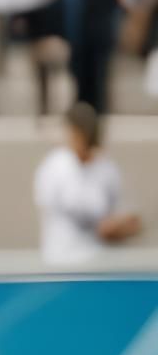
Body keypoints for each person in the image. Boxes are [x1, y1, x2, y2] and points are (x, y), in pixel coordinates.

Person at [33, 102, 143, 263]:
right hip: (61, 263)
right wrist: (101, 228)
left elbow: (123, 218)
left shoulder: (107, 169)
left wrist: (121, 226)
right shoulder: (54, 166)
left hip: (98, 265)